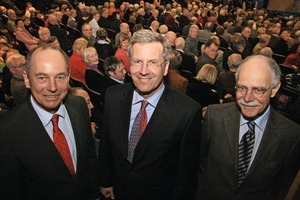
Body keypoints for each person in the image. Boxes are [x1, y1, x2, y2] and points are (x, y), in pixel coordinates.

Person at [99, 29, 202, 200]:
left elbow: (186, 175)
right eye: (138, 61)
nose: (144, 71)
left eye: (153, 62)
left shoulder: (187, 112)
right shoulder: (112, 96)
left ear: (166, 67)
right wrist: (105, 180)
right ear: (129, 64)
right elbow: (106, 145)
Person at [0, 45, 99, 199]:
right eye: (42, 78)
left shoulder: (79, 106)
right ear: (27, 79)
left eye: (60, 77)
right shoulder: (6, 131)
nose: (52, 87)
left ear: (68, 77)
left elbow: (89, 157)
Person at [194, 55, 300, 199]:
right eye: (242, 88)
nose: (248, 98)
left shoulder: (291, 135)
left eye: (258, 90)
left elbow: (280, 187)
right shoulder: (214, 116)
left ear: (274, 89)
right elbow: (200, 165)